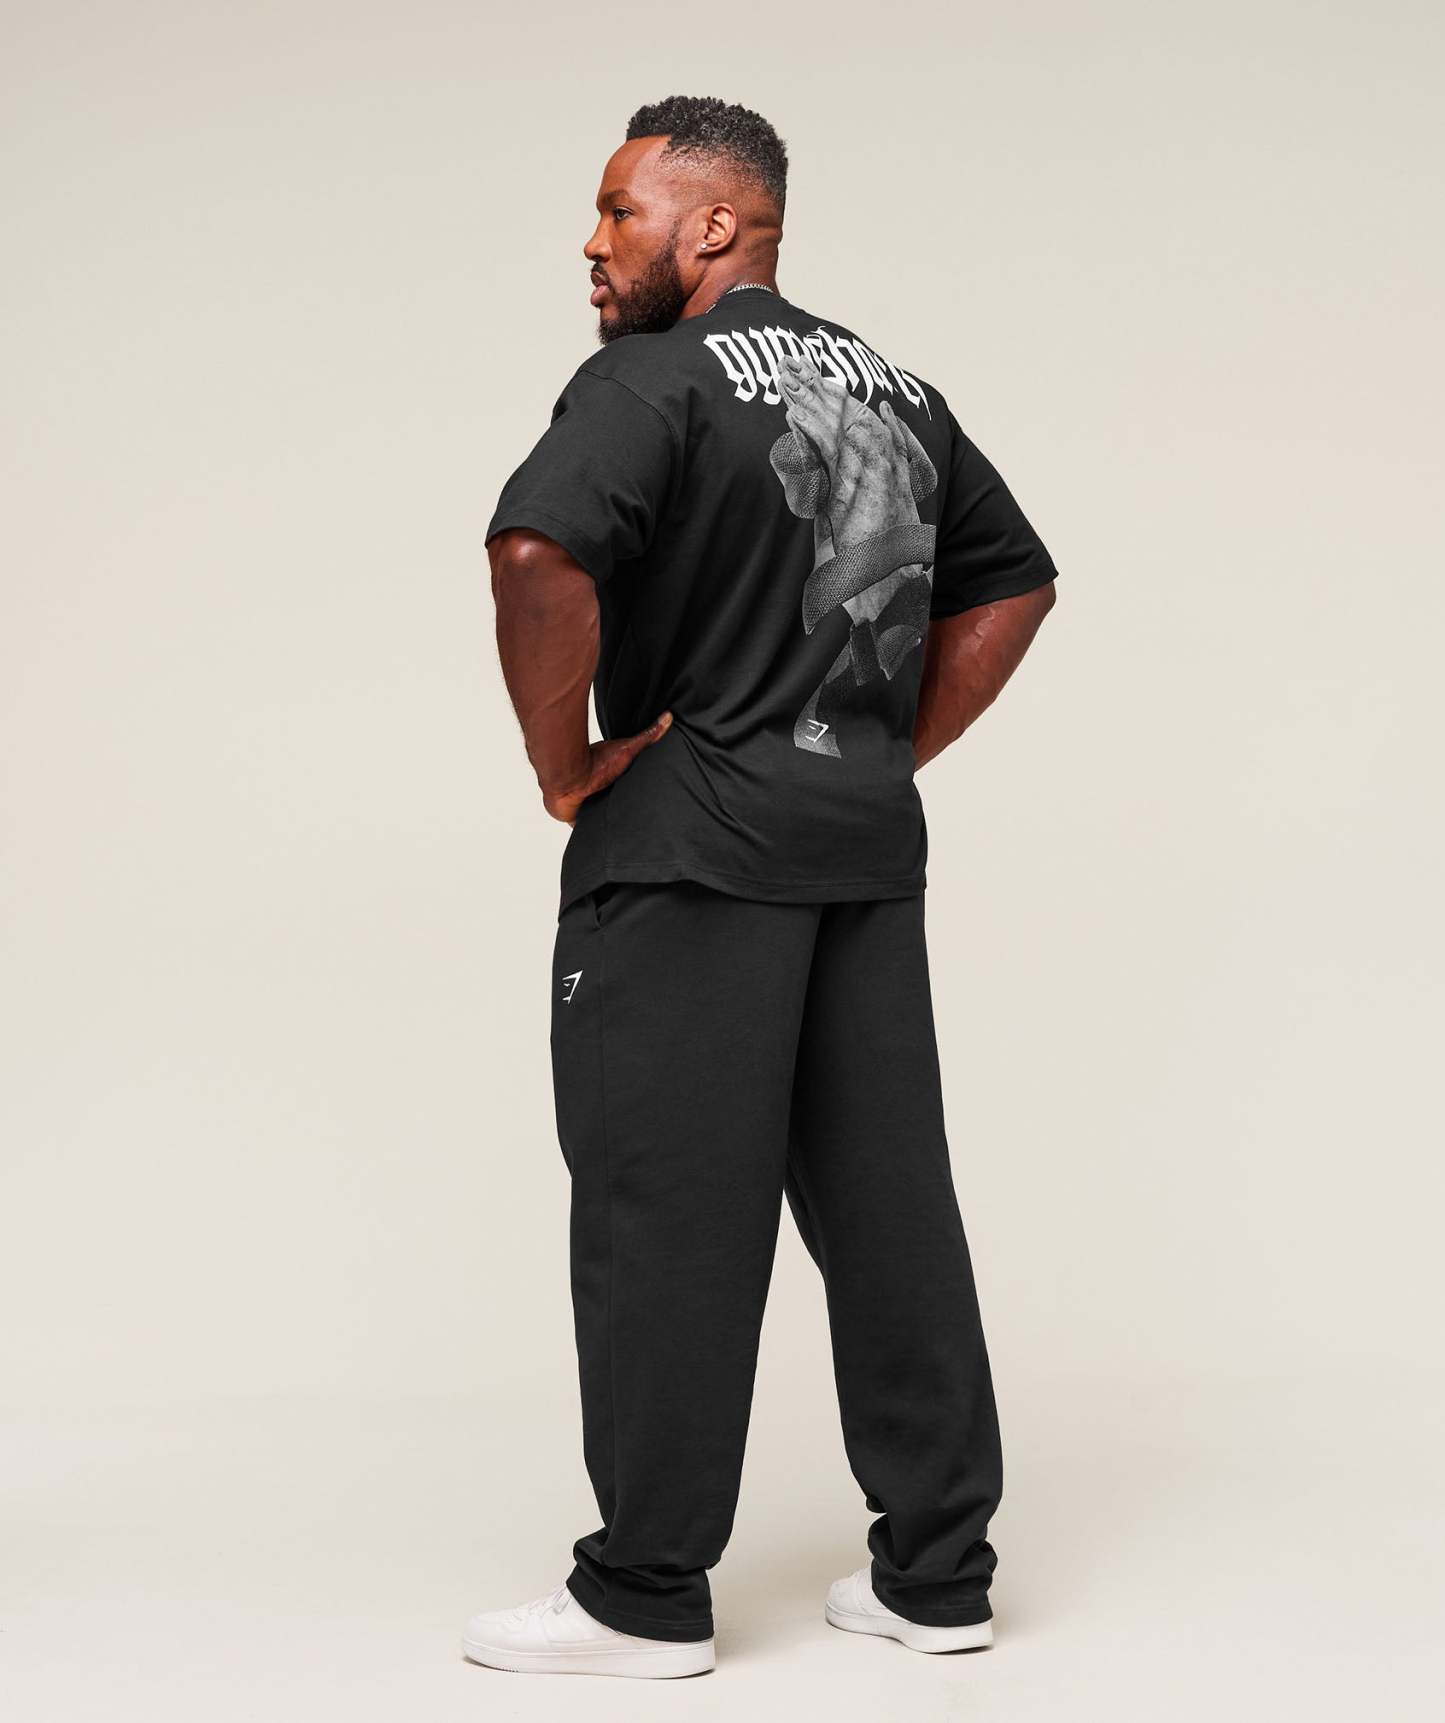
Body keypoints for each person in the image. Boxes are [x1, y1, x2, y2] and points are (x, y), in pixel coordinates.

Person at [465, 95, 1058, 1680]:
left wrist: (563, 767)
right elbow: (1014, 582)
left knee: (665, 1213)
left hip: (689, 854)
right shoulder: (896, 386)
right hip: (854, 848)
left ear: (716, 225)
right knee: (888, 1211)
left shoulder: (649, 380)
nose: (594, 245)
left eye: (621, 212)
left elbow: (533, 555)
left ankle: (642, 1597)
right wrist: (873, 753)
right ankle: (935, 1579)